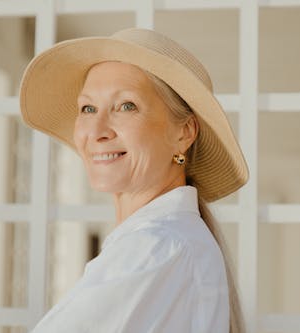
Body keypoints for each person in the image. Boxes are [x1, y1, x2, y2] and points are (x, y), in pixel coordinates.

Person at [20, 28, 249, 333]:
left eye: (126, 106)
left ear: (184, 133)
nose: (98, 130)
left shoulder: (158, 247)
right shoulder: (164, 242)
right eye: (88, 108)